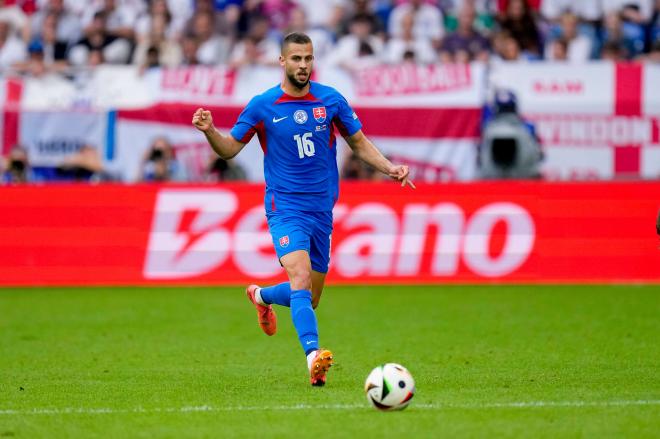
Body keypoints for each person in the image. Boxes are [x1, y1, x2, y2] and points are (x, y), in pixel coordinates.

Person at [192, 32, 414, 387]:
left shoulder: (331, 100)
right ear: (282, 61)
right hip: (285, 207)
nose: (303, 65)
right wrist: (209, 131)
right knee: (299, 276)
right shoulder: (263, 105)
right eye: (296, 59)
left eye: (308, 58)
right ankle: (313, 357)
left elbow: (357, 142)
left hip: (321, 210)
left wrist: (390, 168)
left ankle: (261, 295)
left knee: (309, 297)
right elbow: (230, 149)